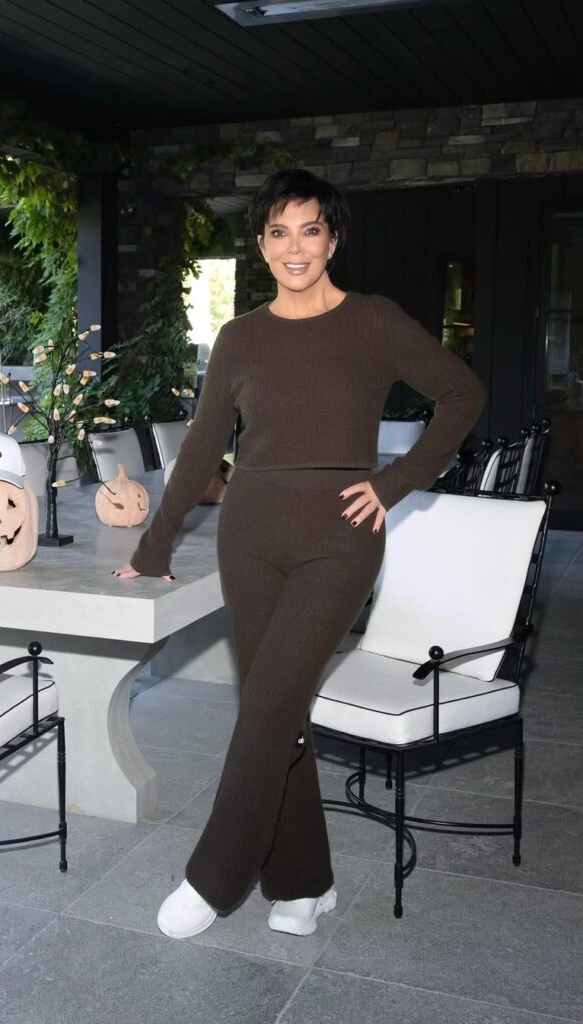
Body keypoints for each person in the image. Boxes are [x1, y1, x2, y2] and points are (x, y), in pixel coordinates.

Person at [112, 168, 486, 940]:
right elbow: (201, 452)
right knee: (278, 710)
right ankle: (305, 883)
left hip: (339, 539)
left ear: (332, 239)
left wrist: (395, 483)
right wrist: (154, 547)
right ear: (260, 244)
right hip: (249, 535)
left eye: (309, 230)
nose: (294, 247)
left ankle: (214, 877)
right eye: (278, 232)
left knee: (267, 706)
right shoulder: (240, 338)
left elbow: (463, 395)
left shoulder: (373, 321)